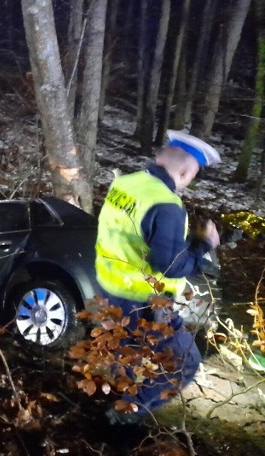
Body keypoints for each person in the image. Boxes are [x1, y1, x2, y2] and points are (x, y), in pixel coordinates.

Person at [95, 130, 221, 424]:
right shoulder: (167, 204)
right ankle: (125, 415)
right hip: (144, 302)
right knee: (186, 361)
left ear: (159, 157)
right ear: (187, 171)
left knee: (125, 356)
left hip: (108, 289)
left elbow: (135, 234)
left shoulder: (125, 183)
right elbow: (170, 265)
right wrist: (204, 246)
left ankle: (110, 416)